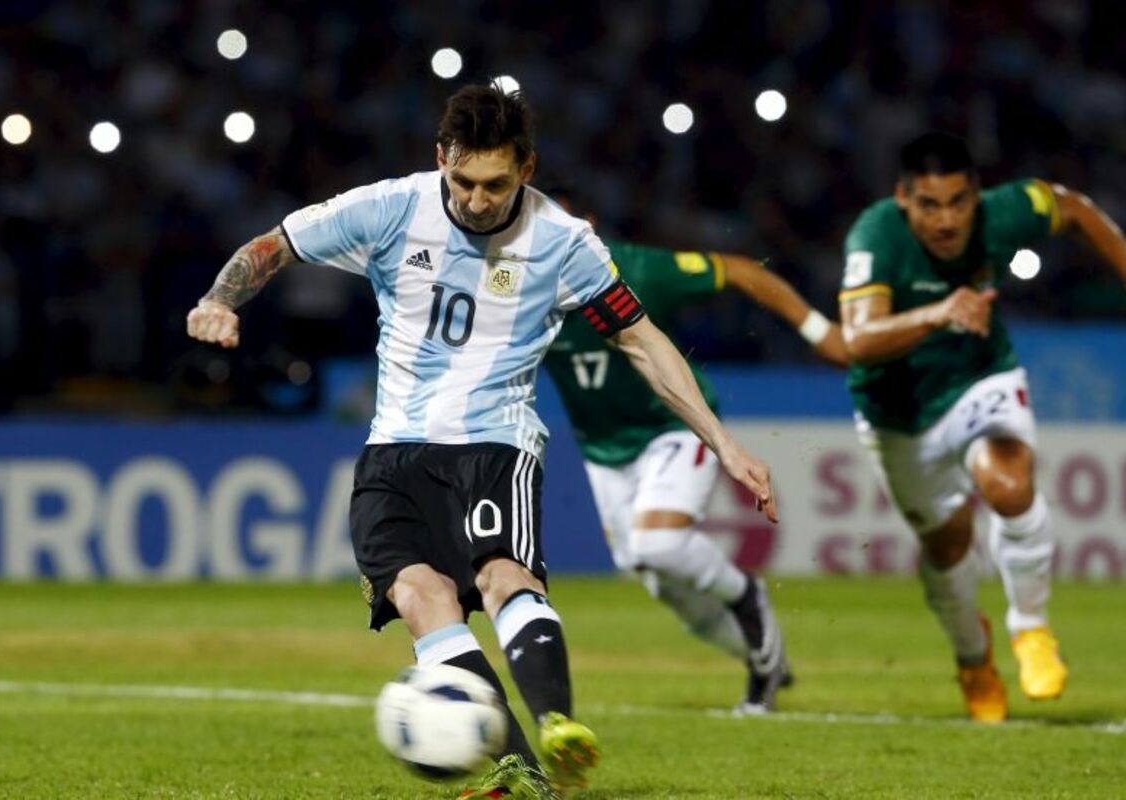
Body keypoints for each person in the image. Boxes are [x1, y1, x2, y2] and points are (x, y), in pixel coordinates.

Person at [187, 84, 777, 798]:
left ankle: (559, 726)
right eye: (462, 180)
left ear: (526, 168)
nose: (475, 200)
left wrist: (723, 444)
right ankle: (521, 771)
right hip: (393, 450)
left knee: (503, 576)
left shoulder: (564, 242)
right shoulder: (389, 207)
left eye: (495, 184)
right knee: (419, 596)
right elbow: (274, 245)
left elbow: (642, 342)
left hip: (494, 443)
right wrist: (219, 298)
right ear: (442, 158)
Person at [839, 132, 1126, 723]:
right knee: (946, 547)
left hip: (979, 378)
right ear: (903, 199)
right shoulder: (876, 234)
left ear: (976, 195)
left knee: (1010, 485)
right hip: (898, 414)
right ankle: (974, 657)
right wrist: (938, 312)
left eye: (958, 202)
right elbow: (858, 340)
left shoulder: (1004, 211)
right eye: (929, 205)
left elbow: (1073, 208)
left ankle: (1031, 628)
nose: (946, 220)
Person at [542, 189, 846, 713]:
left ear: (588, 228)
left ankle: (747, 596)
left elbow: (740, 271)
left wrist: (818, 331)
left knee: (658, 545)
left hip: (674, 426)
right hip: (602, 447)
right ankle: (762, 656)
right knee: (655, 577)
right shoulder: (519, 291)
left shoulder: (639, 270)